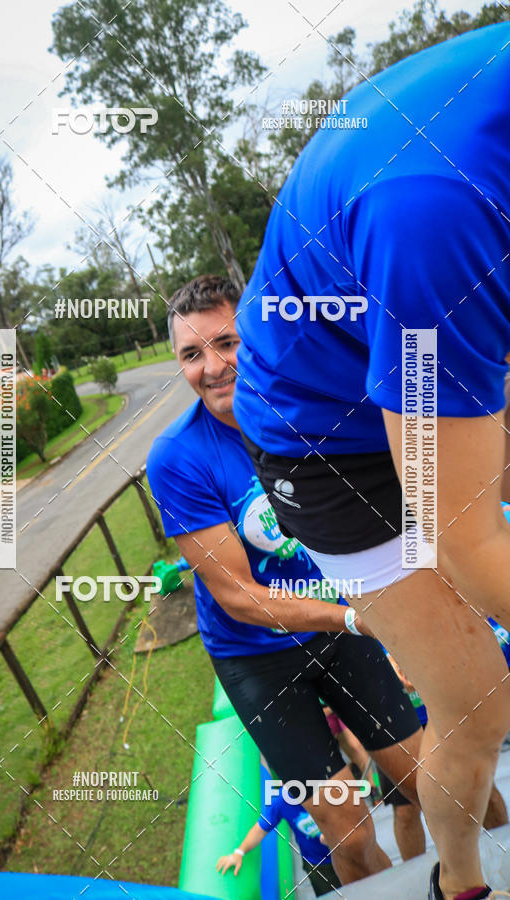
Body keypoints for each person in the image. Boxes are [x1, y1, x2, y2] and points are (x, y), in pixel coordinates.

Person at [231, 22, 510, 900]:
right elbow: (462, 534)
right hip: (324, 443)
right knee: (474, 696)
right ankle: (457, 880)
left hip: (409, 322)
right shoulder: (436, 207)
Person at [146, 275, 423, 887]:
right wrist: (355, 615)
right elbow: (240, 598)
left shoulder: (313, 404)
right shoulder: (178, 457)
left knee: (430, 780)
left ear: (256, 336)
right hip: (257, 657)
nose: (214, 367)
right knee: (347, 833)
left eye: (227, 342)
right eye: (192, 354)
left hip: (338, 620)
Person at [216, 786, 341, 896]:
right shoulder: (282, 800)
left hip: (344, 853)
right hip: (318, 863)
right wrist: (239, 852)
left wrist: (335, 837)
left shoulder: (327, 789)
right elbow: (259, 830)